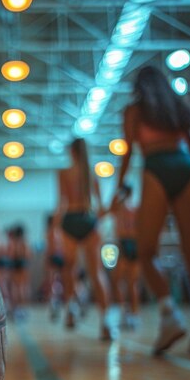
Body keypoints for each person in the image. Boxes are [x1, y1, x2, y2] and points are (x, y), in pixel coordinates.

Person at [116, 65, 190, 354]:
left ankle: (169, 314)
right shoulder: (176, 107)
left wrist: (119, 190)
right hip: (188, 170)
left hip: (156, 168)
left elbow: (126, 154)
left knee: (145, 251)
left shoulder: (133, 111)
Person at [58, 138, 112, 340]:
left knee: (69, 269)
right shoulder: (92, 172)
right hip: (89, 219)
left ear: (72, 150)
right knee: (96, 272)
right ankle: (105, 321)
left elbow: (61, 204)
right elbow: (101, 207)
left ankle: (71, 310)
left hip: (70, 219)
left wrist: (56, 228)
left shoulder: (64, 172)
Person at [109, 183, 140, 329]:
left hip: (127, 242)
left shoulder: (124, 207)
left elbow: (110, 207)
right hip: (132, 242)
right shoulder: (133, 208)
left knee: (120, 280)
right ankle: (132, 314)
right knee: (129, 282)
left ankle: (127, 313)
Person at [8, 224, 32, 319]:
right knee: (23, 287)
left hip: (16, 264)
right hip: (23, 264)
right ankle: (21, 308)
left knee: (16, 287)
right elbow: (28, 255)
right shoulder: (25, 242)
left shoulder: (14, 242)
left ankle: (17, 308)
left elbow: (11, 255)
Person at [45, 214, 65, 320]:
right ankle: (55, 303)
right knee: (59, 281)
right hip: (59, 256)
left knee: (52, 281)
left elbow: (50, 249)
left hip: (54, 257)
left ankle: (53, 304)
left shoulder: (50, 232)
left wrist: (47, 261)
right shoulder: (60, 231)